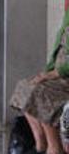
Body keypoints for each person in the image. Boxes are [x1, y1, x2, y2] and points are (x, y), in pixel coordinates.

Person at [11, 9, 69, 154]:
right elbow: (58, 48)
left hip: (64, 76)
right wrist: (45, 72)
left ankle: (55, 148)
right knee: (26, 86)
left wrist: (54, 73)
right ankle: (40, 144)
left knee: (42, 92)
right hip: (58, 75)